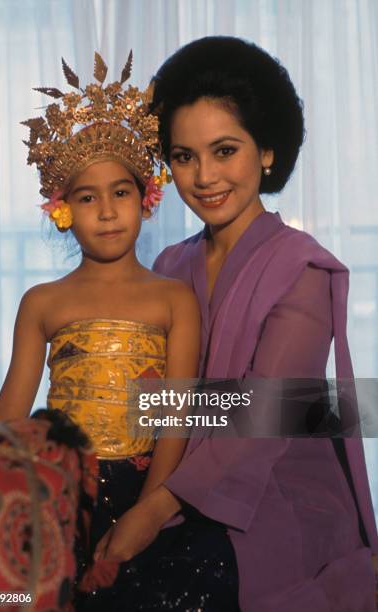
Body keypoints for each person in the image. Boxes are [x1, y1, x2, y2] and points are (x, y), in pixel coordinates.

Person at [0, 51, 240, 611]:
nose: (108, 211)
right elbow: (11, 410)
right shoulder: (43, 301)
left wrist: (149, 508)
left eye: (121, 192)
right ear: (62, 209)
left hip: (149, 491)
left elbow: (176, 415)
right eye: (87, 198)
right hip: (63, 490)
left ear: (146, 199)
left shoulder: (173, 298)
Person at [151, 36, 378, 612]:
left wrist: (149, 510)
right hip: (168, 475)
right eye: (184, 157)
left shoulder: (303, 267)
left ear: (267, 151)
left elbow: (263, 416)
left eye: (224, 150)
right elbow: (148, 404)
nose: (203, 177)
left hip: (276, 499)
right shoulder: (168, 265)